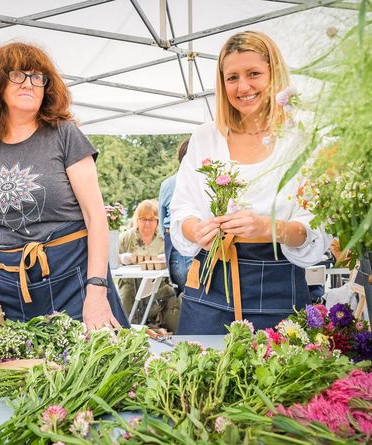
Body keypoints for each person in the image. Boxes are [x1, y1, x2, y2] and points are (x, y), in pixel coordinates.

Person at [0, 42, 128, 329]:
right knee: (7, 372)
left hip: (71, 279)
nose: (29, 83)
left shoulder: (65, 135)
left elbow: (96, 218)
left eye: (37, 77)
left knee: (84, 370)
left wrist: (96, 291)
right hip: (2, 288)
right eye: (18, 74)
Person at [170, 31, 332, 335]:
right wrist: (197, 230)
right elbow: (182, 211)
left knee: (276, 379)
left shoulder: (303, 140)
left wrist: (269, 228)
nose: (243, 87)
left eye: (254, 73)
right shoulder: (206, 137)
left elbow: (317, 226)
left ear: (274, 75)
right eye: (232, 77)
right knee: (199, 379)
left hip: (278, 285)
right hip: (208, 284)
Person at [118, 200, 179, 332]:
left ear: (157, 221)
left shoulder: (163, 239)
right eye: (143, 219)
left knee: (173, 298)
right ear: (137, 220)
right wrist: (122, 258)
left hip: (158, 285)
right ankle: (128, 333)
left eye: (152, 219)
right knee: (125, 298)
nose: (147, 223)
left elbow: (176, 261)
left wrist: (167, 258)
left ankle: (172, 333)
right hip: (131, 284)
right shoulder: (127, 237)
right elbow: (112, 260)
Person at [158, 139, 193, 296]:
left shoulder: (167, 183)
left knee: (187, 294)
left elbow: (161, 217)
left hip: (171, 242)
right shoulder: (198, 184)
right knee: (195, 295)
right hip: (188, 243)